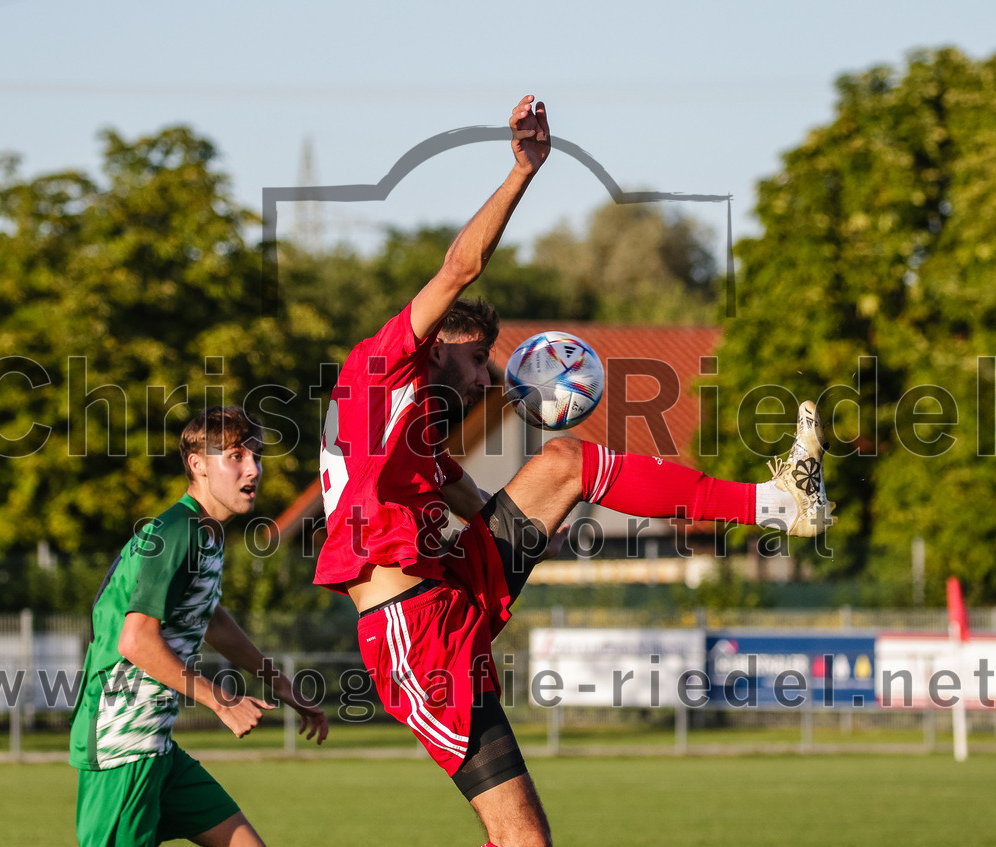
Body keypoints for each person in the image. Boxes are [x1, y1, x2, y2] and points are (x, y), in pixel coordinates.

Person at [315, 95, 834, 847]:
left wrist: (533, 526)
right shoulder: (387, 360)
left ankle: (776, 503)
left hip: (450, 586)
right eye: (476, 362)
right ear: (437, 340)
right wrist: (524, 171)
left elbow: (465, 491)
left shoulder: (406, 425)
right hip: (413, 633)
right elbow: (462, 265)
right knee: (524, 841)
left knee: (565, 462)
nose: (485, 382)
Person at [70, 405, 329, 847]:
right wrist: (221, 701)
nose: (253, 469)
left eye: (256, 456)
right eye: (235, 456)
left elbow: (210, 618)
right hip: (122, 746)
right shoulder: (177, 532)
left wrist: (279, 683)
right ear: (197, 465)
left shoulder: (205, 533)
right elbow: (135, 641)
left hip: (157, 746)